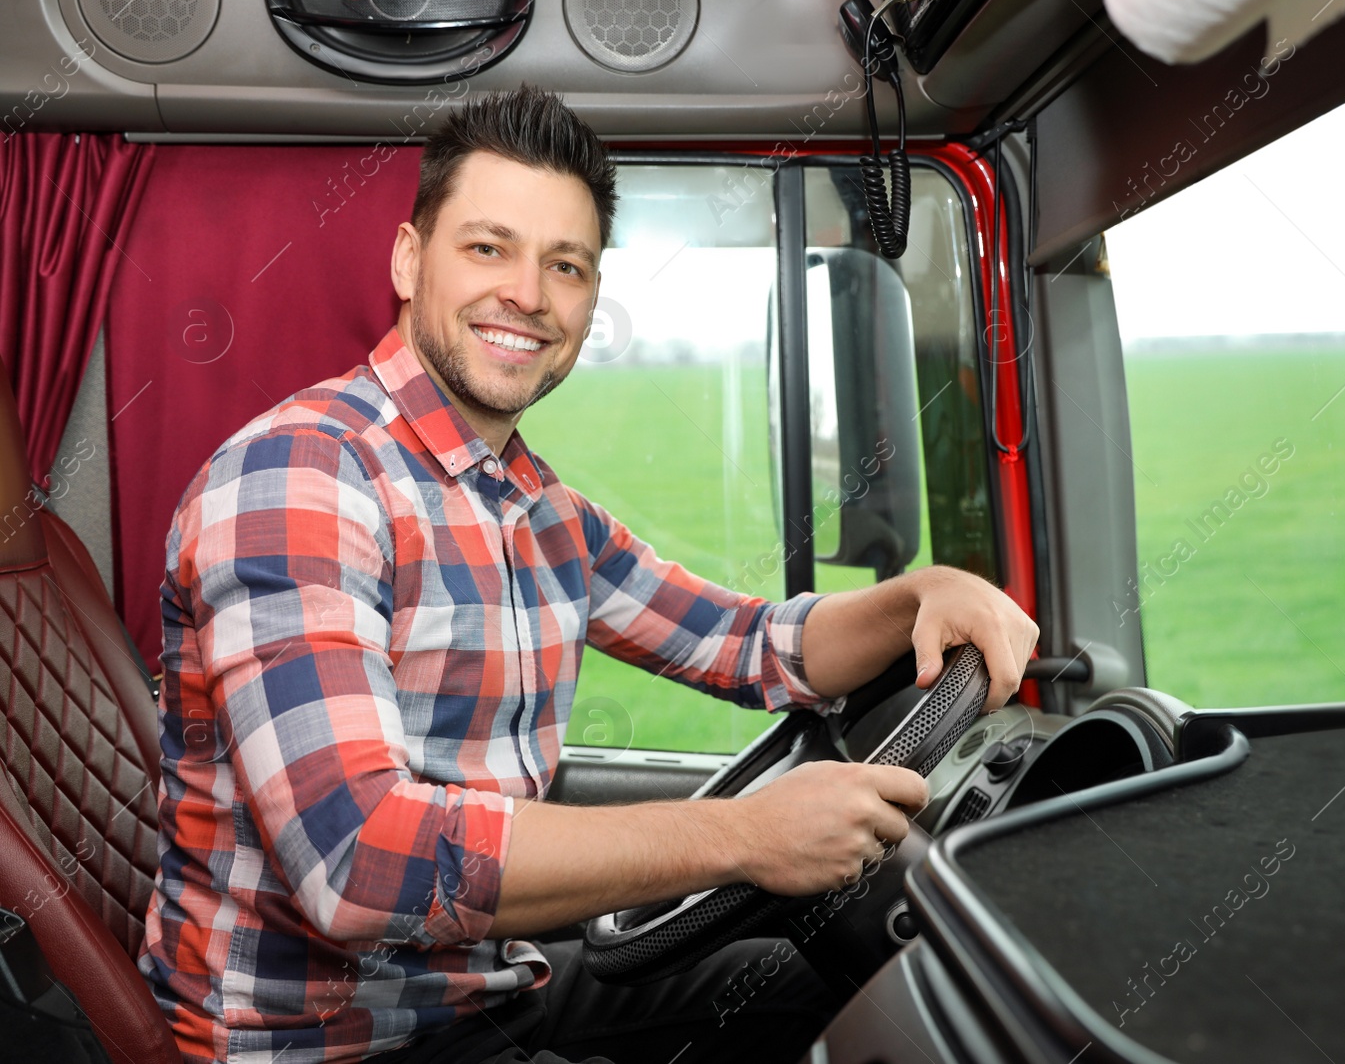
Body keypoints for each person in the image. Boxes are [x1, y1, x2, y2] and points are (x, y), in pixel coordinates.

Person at [135, 83, 1039, 1064]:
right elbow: (358, 860)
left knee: (840, 995)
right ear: (407, 260)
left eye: (564, 264)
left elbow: (750, 645)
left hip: (474, 988)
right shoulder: (300, 477)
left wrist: (925, 593)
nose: (527, 292)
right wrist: (741, 836)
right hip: (323, 1041)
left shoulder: (537, 510)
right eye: (488, 248)